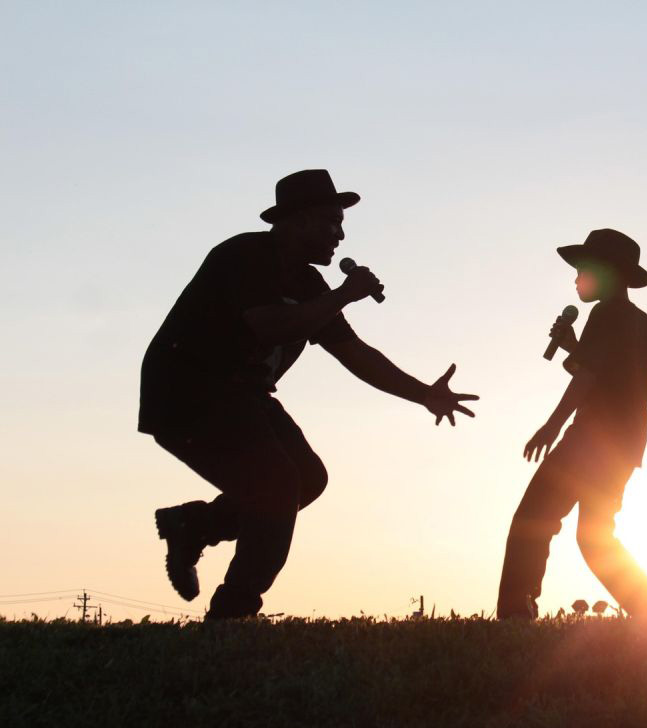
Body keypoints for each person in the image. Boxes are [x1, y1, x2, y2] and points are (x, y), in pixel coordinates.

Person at [139, 169, 478, 619]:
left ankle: (195, 525)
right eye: (329, 222)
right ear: (294, 221)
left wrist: (425, 395)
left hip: (244, 396)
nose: (339, 235)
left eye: (341, 224)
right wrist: (343, 295)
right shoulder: (244, 256)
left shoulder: (309, 286)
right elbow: (270, 324)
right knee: (277, 484)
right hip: (188, 392)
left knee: (307, 479)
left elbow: (355, 354)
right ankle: (232, 615)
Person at [497, 228, 647, 619]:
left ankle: (515, 613)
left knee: (532, 519)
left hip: (592, 441)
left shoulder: (607, 313)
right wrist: (573, 346)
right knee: (594, 537)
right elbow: (607, 374)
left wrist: (552, 426)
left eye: (583, 269)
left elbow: (588, 378)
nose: (576, 278)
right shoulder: (636, 320)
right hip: (624, 445)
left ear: (608, 273)